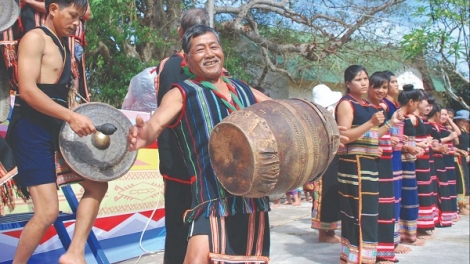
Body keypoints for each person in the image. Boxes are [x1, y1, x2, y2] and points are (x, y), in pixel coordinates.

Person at [128, 25, 271, 263]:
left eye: (214, 47)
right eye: (200, 49)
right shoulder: (182, 92)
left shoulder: (245, 90)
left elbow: (283, 114)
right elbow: (155, 124)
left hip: (253, 200)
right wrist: (143, 135)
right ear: (186, 59)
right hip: (211, 200)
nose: (210, 54)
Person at [5, 1, 108, 263]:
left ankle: (74, 254)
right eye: (73, 16)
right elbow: (28, 91)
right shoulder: (34, 38)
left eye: (80, 18)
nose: (77, 23)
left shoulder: (63, 44)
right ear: (53, 9)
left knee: (97, 184)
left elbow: (61, 96)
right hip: (31, 129)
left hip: (56, 126)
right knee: (48, 212)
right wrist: (70, 116)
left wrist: (78, 114)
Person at [153, 8, 211, 264]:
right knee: (188, 227)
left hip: (183, 158)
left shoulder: (169, 64)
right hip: (189, 160)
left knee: (185, 228)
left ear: (180, 32)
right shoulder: (178, 66)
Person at [335, 65, 401, 264]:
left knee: (369, 212)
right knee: (357, 212)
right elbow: (344, 137)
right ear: (348, 83)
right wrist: (371, 122)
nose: (363, 83)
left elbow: (372, 136)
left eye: (365, 79)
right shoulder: (347, 104)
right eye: (358, 80)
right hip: (353, 165)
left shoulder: (369, 105)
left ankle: (367, 257)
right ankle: (355, 257)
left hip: (369, 164)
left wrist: (389, 123)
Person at [367, 71, 397, 263]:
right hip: (372, 161)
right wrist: (389, 125)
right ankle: (374, 251)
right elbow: (368, 134)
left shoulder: (383, 107)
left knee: (387, 205)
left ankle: (386, 252)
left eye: (384, 87)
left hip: (386, 160)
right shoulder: (365, 108)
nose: (381, 90)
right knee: (374, 207)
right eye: (377, 86)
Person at [310, 83, 342, 243]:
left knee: (331, 195)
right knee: (325, 196)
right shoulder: (318, 119)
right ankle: (324, 233)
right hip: (324, 163)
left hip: (331, 160)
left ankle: (329, 230)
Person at [453, 110, 469, 215]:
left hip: (465, 158)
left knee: (466, 182)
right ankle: (461, 205)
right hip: (457, 158)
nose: (464, 123)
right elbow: (454, 145)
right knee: (461, 183)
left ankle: (466, 204)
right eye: (462, 121)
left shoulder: (465, 132)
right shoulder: (454, 131)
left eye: (466, 121)